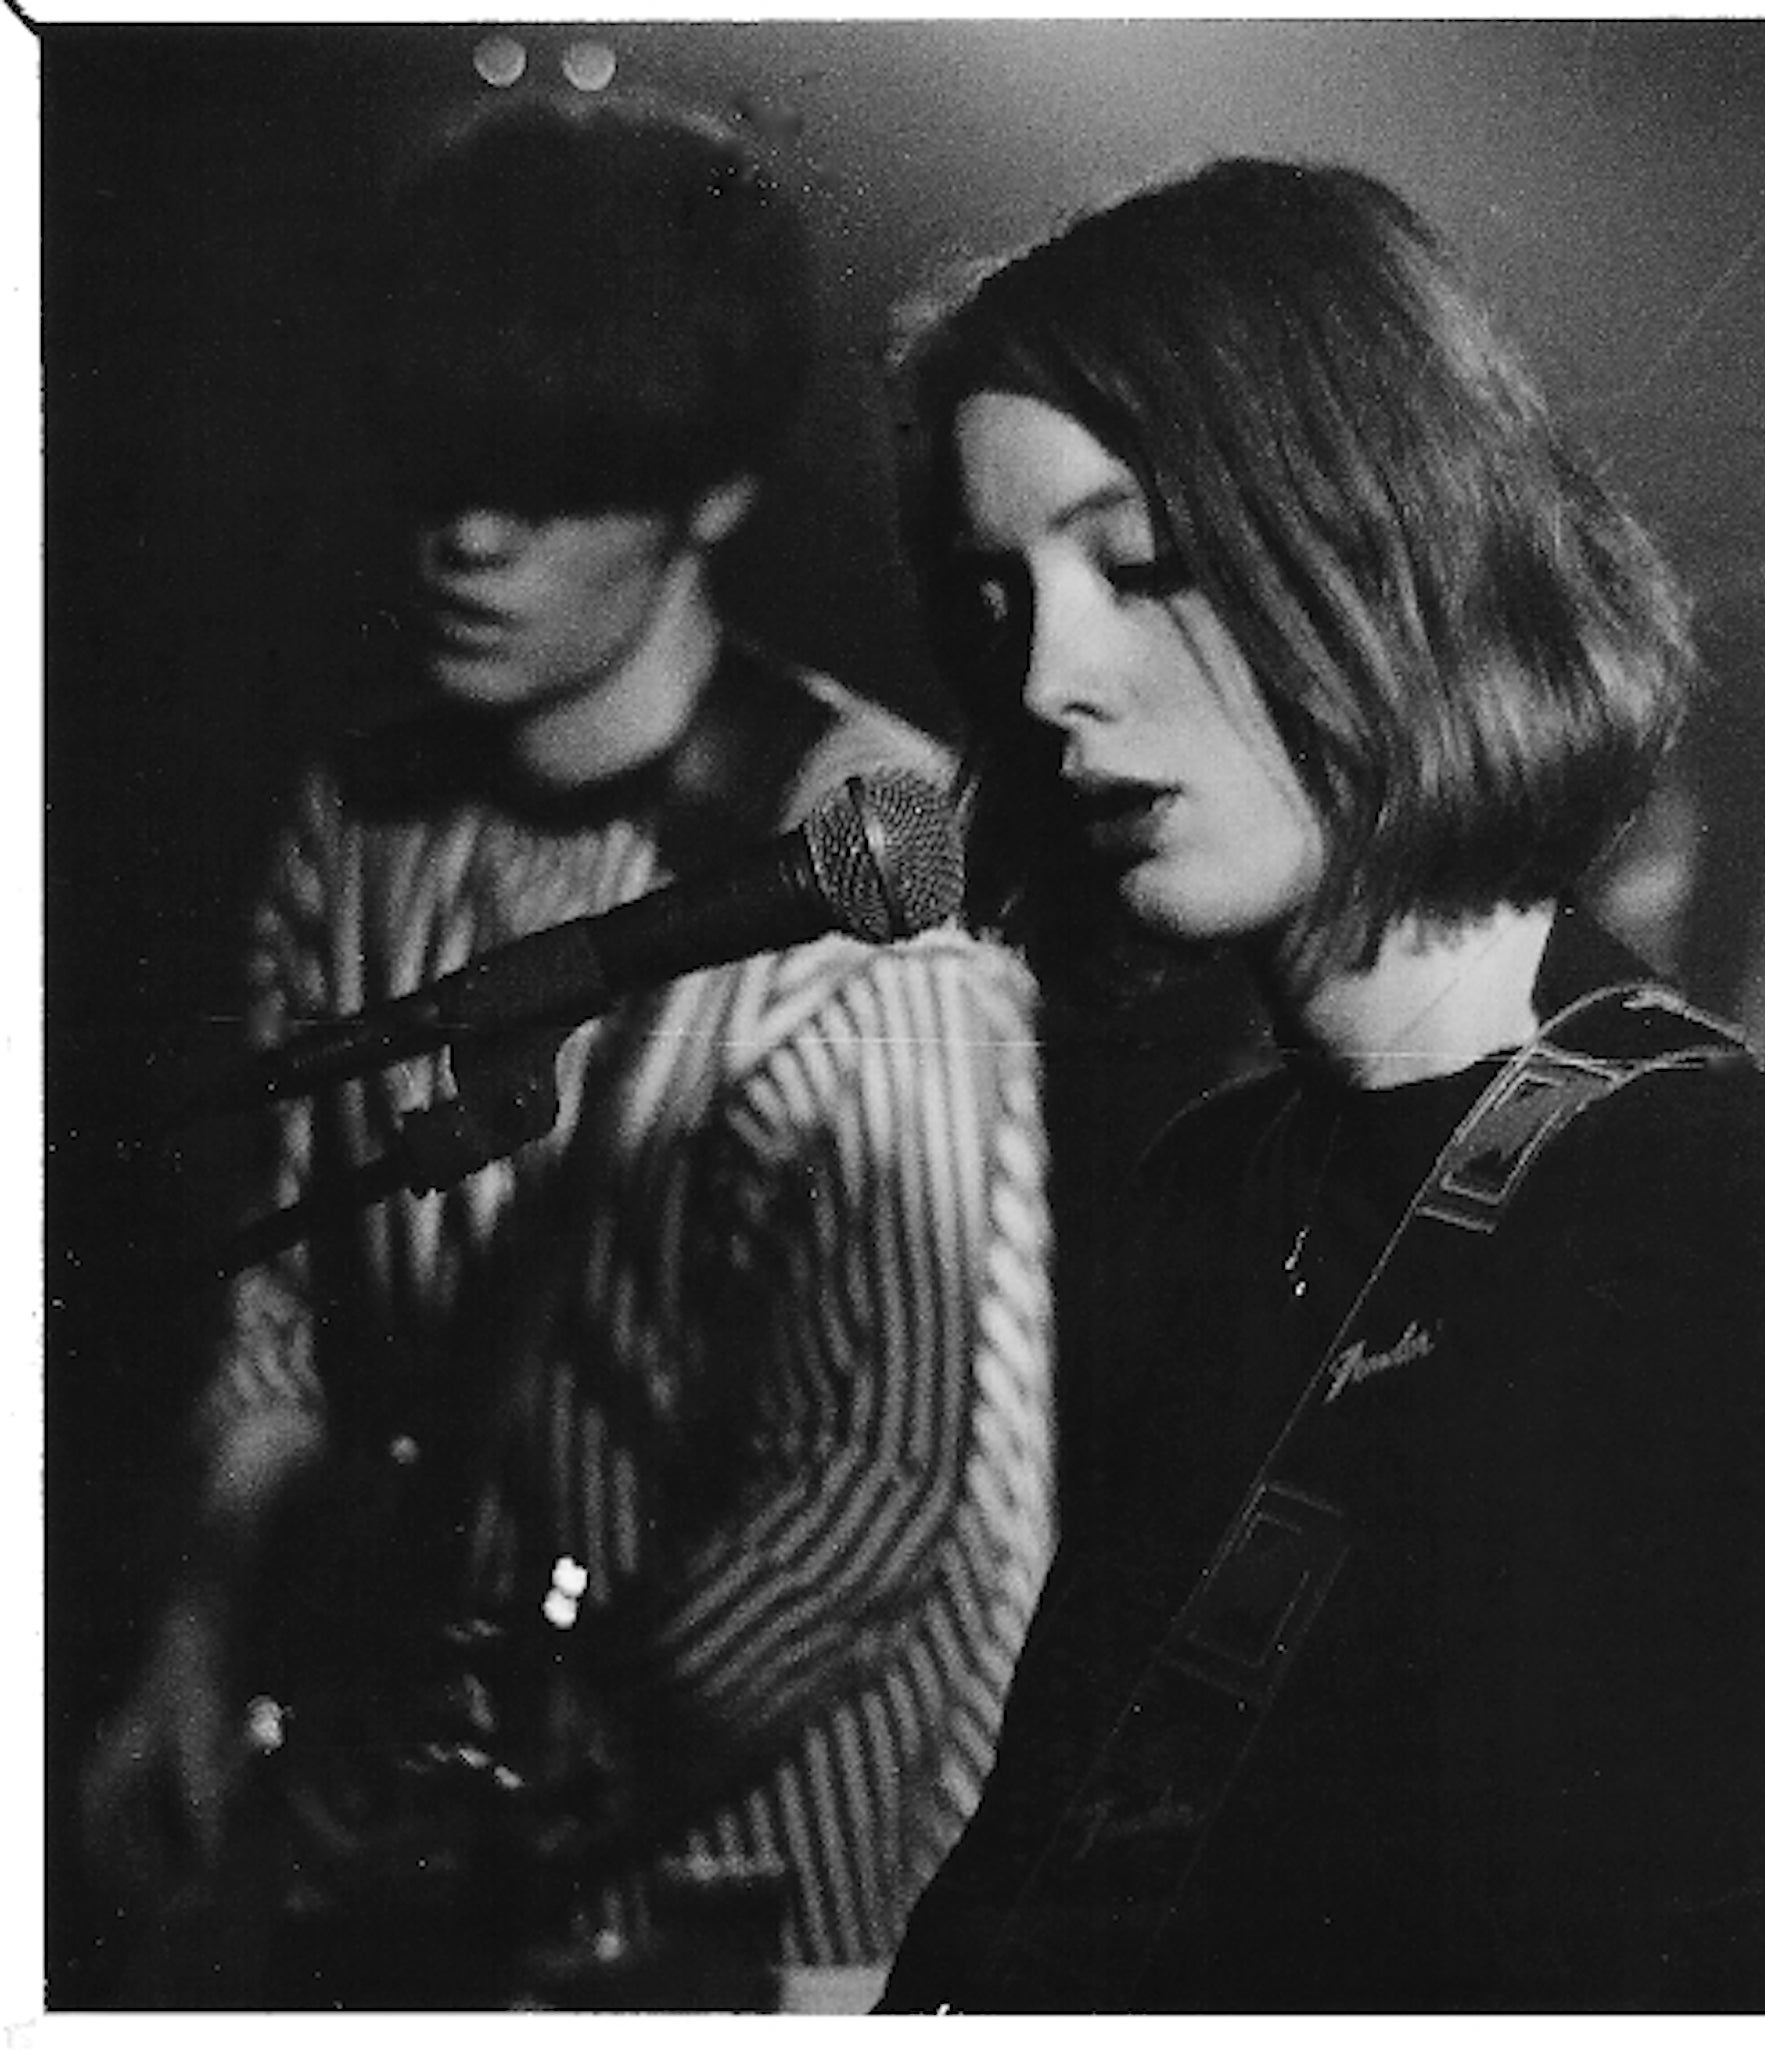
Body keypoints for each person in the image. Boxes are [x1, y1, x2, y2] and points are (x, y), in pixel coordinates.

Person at [877, 158, 1765, 2012]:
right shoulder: (1214, 1181)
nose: (1046, 676)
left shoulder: (1703, 1204)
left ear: (1379, 546)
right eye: (997, 595)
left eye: (1140, 565)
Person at [77, 90, 1054, 2014]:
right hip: (438, 1797)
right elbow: (287, 1295)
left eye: (555, 473)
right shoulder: (364, 812)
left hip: (761, 1882)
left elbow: (867, 1493)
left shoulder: (858, 865)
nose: (470, 535)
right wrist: (196, 1643)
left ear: (709, 491)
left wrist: (523, 1798)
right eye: (442, 459)